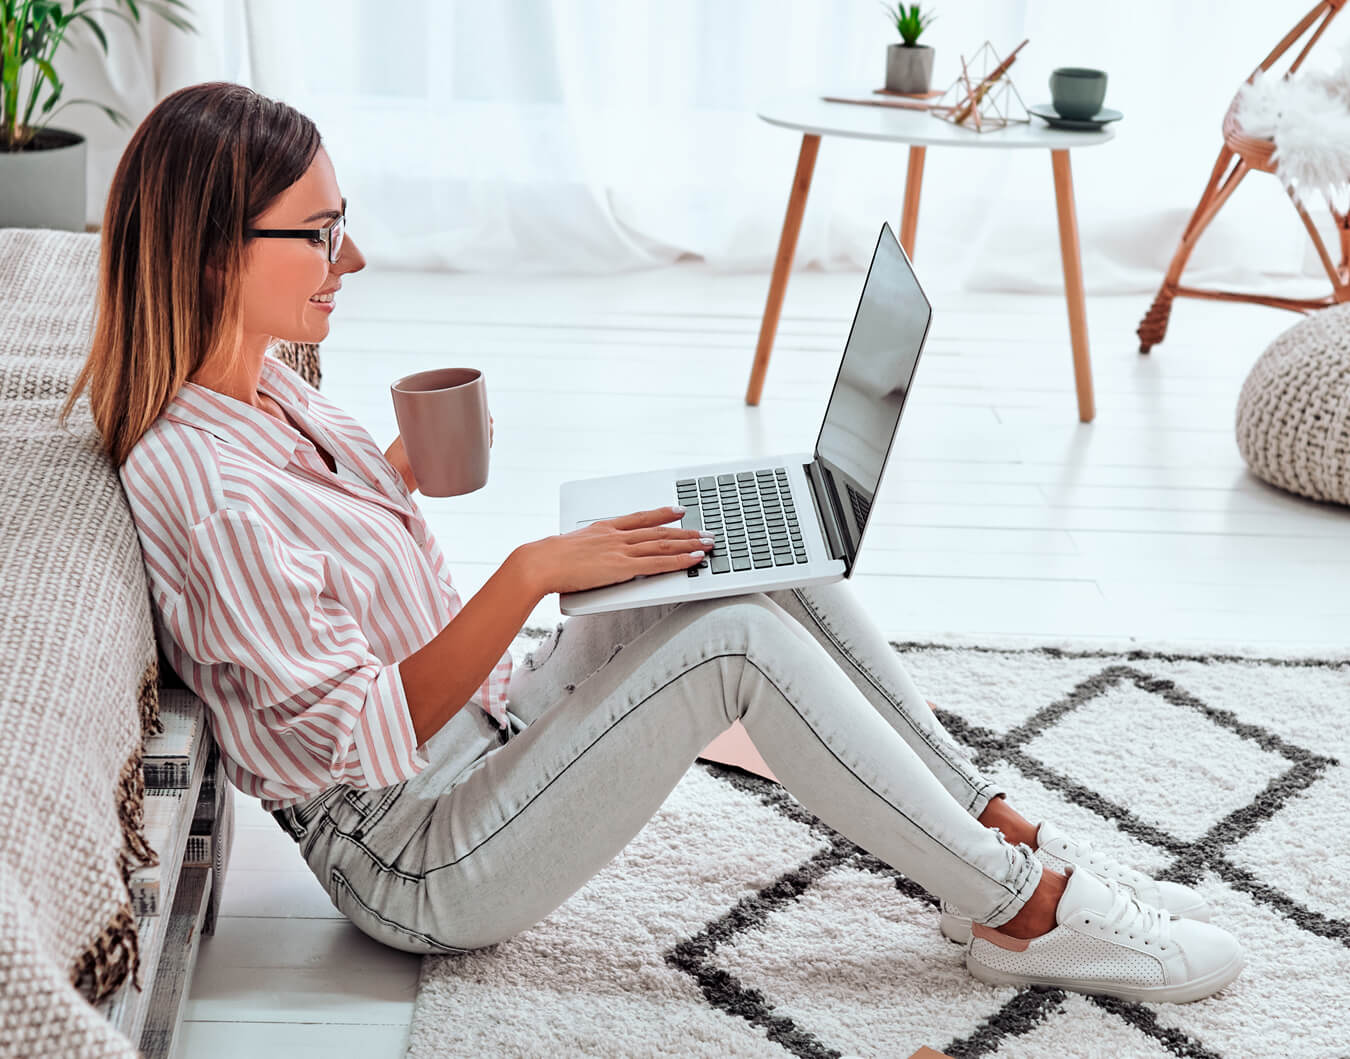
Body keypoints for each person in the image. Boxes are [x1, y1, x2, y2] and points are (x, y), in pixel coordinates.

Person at [62, 81, 1244, 1006]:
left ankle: (988, 824)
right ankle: (1023, 913)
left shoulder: (268, 389)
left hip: (482, 742)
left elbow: (315, 587)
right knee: (730, 642)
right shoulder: (202, 480)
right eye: (321, 234)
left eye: (345, 225)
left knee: (733, 549)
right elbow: (367, 735)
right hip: (415, 853)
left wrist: (391, 473)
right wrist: (531, 571)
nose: (350, 261)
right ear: (218, 248)